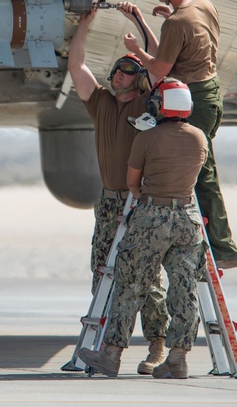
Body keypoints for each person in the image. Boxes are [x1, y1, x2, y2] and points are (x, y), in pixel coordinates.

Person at [79, 77, 208, 379]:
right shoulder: (200, 138)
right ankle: (177, 359)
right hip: (187, 219)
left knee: (131, 284)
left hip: (152, 217)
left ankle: (111, 356)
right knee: (184, 288)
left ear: (159, 106)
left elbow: (132, 183)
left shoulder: (147, 138)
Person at [121, 0, 237, 268]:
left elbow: (159, 70)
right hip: (211, 92)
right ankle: (211, 242)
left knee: (202, 172)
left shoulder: (176, 22)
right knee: (199, 167)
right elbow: (187, 45)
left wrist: (136, 51)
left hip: (195, 100)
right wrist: (158, 22)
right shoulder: (203, 5)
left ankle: (223, 248)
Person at [67, 7, 169, 375]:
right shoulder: (102, 104)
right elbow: (77, 68)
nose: (117, 76)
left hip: (139, 203)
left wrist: (140, 26)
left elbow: (161, 67)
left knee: (146, 276)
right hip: (109, 203)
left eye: (126, 71)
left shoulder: (148, 105)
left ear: (138, 78)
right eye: (114, 71)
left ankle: (157, 344)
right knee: (101, 272)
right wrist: (83, 26)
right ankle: (100, 347)